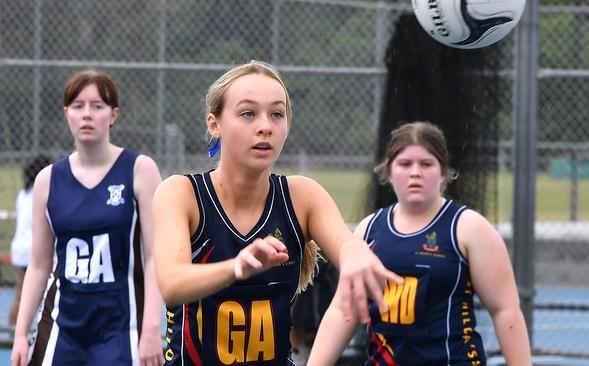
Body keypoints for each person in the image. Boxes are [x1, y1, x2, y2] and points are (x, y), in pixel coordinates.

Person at [152, 59, 402, 365]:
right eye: (248, 113)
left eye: (277, 114)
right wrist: (236, 268)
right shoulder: (181, 193)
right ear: (214, 124)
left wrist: (355, 255)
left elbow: (347, 245)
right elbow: (172, 285)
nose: (265, 126)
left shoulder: (302, 196)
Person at [308, 121, 532, 365]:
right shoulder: (368, 229)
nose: (415, 172)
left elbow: (505, 310)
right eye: (405, 164)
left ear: (444, 172)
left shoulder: (469, 228)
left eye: (426, 164)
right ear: (389, 172)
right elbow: (344, 310)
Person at [11, 70, 164, 366]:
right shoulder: (48, 180)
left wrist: (151, 328)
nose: (87, 114)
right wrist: (20, 334)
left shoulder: (140, 170)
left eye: (97, 106)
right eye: (78, 106)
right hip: (64, 326)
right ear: (67, 113)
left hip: (122, 326)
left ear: (114, 114)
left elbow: (154, 257)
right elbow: (40, 265)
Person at [8, 155, 52, 326]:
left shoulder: (23, 194)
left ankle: (12, 329)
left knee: (22, 293)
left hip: (19, 250)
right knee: (45, 294)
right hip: (32, 250)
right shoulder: (42, 192)